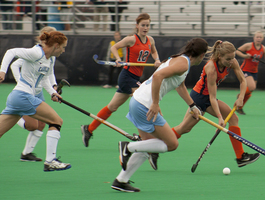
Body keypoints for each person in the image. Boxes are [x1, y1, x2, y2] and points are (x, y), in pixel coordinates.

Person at [111, 37, 207, 192]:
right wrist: (156, 103)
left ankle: (121, 180)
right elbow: (157, 76)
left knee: (148, 145)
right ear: (202, 55)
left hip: (138, 101)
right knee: (172, 144)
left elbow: (180, 86)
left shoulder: (179, 60)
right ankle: (127, 147)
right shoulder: (183, 63)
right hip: (145, 104)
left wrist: (192, 106)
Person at [81, 13, 161, 170]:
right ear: (137, 26)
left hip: (137, 77)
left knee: (112, 107)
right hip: (127, 76)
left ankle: (89, 129)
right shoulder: (131, 39)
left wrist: (157, 60)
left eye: (148, 25)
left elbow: (153, 52)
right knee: (144, 103)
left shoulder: (150, 40)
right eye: (143, 25)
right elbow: (114, 47)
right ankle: (149, 144)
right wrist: (117, 59)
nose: (145, 28)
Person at [171, 40, 260, 169]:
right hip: (199, 99)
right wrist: (219, 117)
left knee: (233, 118)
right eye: (228, 59)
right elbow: (212, 98)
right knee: (184, 128)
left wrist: (241, 97)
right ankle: (154, 146)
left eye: (233, 58)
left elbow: (243, 80)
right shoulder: (211, 68)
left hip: (208, 98)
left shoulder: (232, 62)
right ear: (220, 57)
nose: (231, 61)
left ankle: (241, 157)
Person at [0, 31, 71, 172]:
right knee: (57, 121)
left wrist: (53, 92)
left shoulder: (50, 59)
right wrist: (2, 71)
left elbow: (44, 78)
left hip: (17, 98)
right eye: (63, 47)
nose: (63, 50)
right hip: (23, 96)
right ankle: (50, 161)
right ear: (56, 45)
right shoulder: (36, 53)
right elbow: (11, 52)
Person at [9, 26, 58, 162]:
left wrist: (54, 87)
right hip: (26, 93)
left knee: (42, 124)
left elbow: (50, 72)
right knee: (32, 126)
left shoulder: (51, 55)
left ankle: (26, 153)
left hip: (38, 92)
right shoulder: (34, 53)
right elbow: (14, 65)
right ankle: (14, 115)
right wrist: (21, 82)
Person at [235, 30, 265, 115]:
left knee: (249, 92)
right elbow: (237, 51)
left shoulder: (264, 49)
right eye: (257, 37)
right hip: (245, 70)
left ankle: (240, 107)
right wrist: (245, 56)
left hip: (254, 71)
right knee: (252, 87)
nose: (258, 39)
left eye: (260, 37)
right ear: (254, 38)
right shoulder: (248, 46)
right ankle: (240, 96)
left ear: (262, 39)